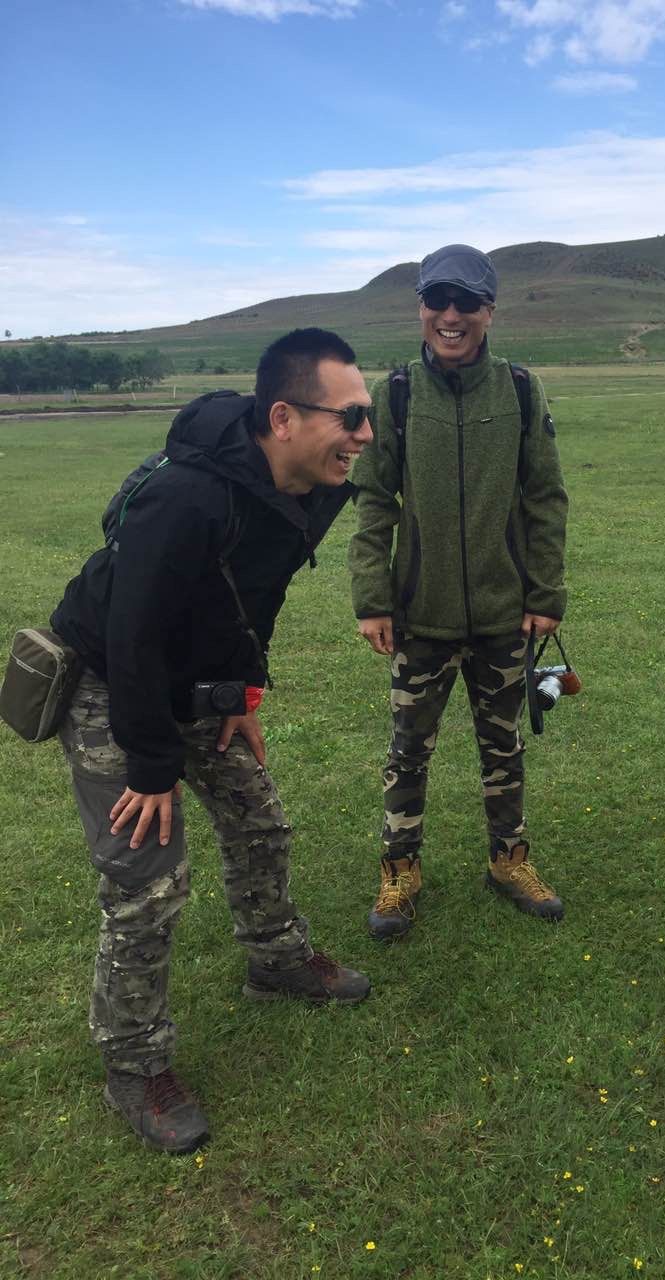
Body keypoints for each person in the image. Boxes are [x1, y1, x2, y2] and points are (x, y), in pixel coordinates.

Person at [50, 328, 374, 1152]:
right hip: (109, 684)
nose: (366, 435)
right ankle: (134, 1066)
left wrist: (242, 694)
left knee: (259, 820)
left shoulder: (309, 488)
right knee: (148, 880)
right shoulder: (187, 498)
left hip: (200, 687)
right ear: (285, 416)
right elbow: (133, 636)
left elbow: (251, 599)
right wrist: (152, 766)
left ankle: (276, 957)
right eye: (352, 416)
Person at [348, 244, 568, 939]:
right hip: (420, 615)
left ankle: (509, 861)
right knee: (407, 751)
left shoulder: (522, 390)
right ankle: (399, 870)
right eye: (437, 300)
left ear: (488, 311)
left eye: (466, 302)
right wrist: (373, 597)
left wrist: (545, 593)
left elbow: (545, 498)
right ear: (420, 308)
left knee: (503, 748)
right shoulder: (397, 394)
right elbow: (374, 499)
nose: (451, 315)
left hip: (505, 614)